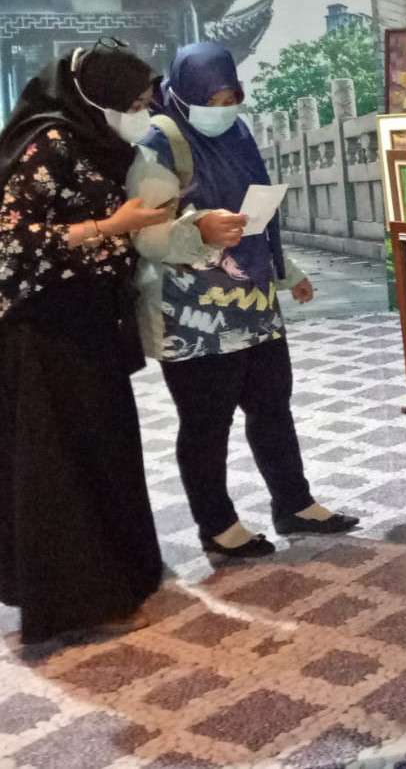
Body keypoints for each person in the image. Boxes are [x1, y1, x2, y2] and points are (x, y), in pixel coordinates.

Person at [136, 42, 357, 560]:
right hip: (192, 315)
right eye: (212, 99)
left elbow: (255, 216)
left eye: (232, 97)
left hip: (254, 302)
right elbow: (144, 235)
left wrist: (287, 272)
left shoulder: (237, 133)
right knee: (207, 422)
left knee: (272, 407)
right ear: (184, 94)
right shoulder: (158, 143)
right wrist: (199, 229)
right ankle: (217, 524)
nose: (224, 108)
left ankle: (294, 503)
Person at [0, 40, 170, 643]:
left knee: (105, 450)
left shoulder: (96, 143)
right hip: (47, 328)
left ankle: (120, 576)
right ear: (98, 96)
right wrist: (110, 226)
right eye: (135, 104)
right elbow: (12, 241)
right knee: (63, 465)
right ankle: (79, 602)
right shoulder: (48, 142)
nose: (142, 114)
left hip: (90, 321)